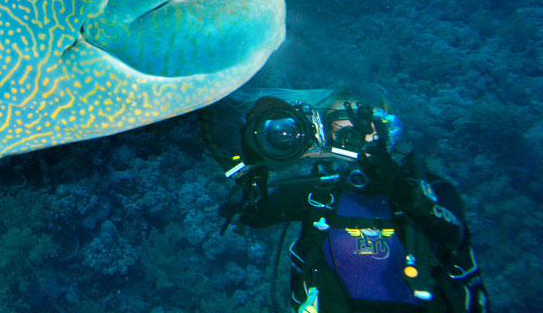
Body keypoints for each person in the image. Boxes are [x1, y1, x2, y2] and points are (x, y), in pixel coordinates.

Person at [202, 88, 490, 313]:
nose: (354, 143)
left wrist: (398, 187)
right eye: (343, 135)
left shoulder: (431, 188)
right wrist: (253, 172)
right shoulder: (321, 192)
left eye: (361, 130)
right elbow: (256, 216)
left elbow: (453, 234)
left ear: (387, 126)